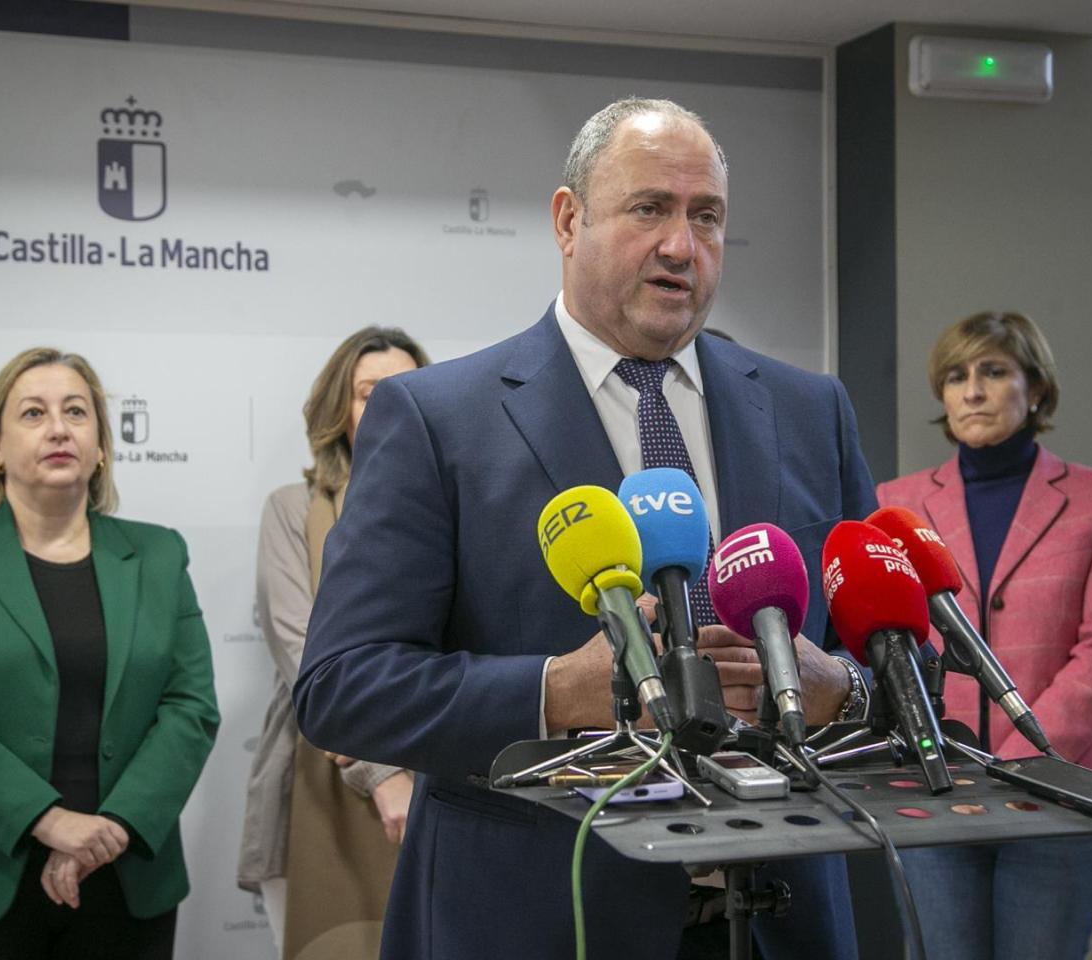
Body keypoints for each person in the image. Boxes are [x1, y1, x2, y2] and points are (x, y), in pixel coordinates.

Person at [293, 97, 873, 959]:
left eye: (705, 216)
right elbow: (342, 687)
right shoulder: (437, 419)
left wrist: (841, 691)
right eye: (650, 208)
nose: (682, 245)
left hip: (781, 920)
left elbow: (909, 662)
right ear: (570, 221)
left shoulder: (809, 409)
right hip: (539, 921)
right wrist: (556, 690)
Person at [0, 347, 219, 959]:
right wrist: (51, 820)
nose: (58, 428)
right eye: (33, 413)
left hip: (123, 876)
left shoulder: (160, 555)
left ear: (102, 446)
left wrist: (112, 829)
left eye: (76, 412)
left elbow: (189, 708)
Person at [874, 311, 1092, 960]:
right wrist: (957, 764)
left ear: (1037, 389)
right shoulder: (896, 504)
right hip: (938, 787)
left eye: (993, 372)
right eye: (957, 376)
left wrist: (1024, 761)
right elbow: (891, 650)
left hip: (1062, 785)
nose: (972, 391)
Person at [237, 326, 430, 960]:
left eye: (404, 389)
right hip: (321, 783)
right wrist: (382, 778)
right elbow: (304, 660)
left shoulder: (455, 507)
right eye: (369, 392)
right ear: (336, 411)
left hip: (438, 780)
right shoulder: (292, 510)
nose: (387, 405)